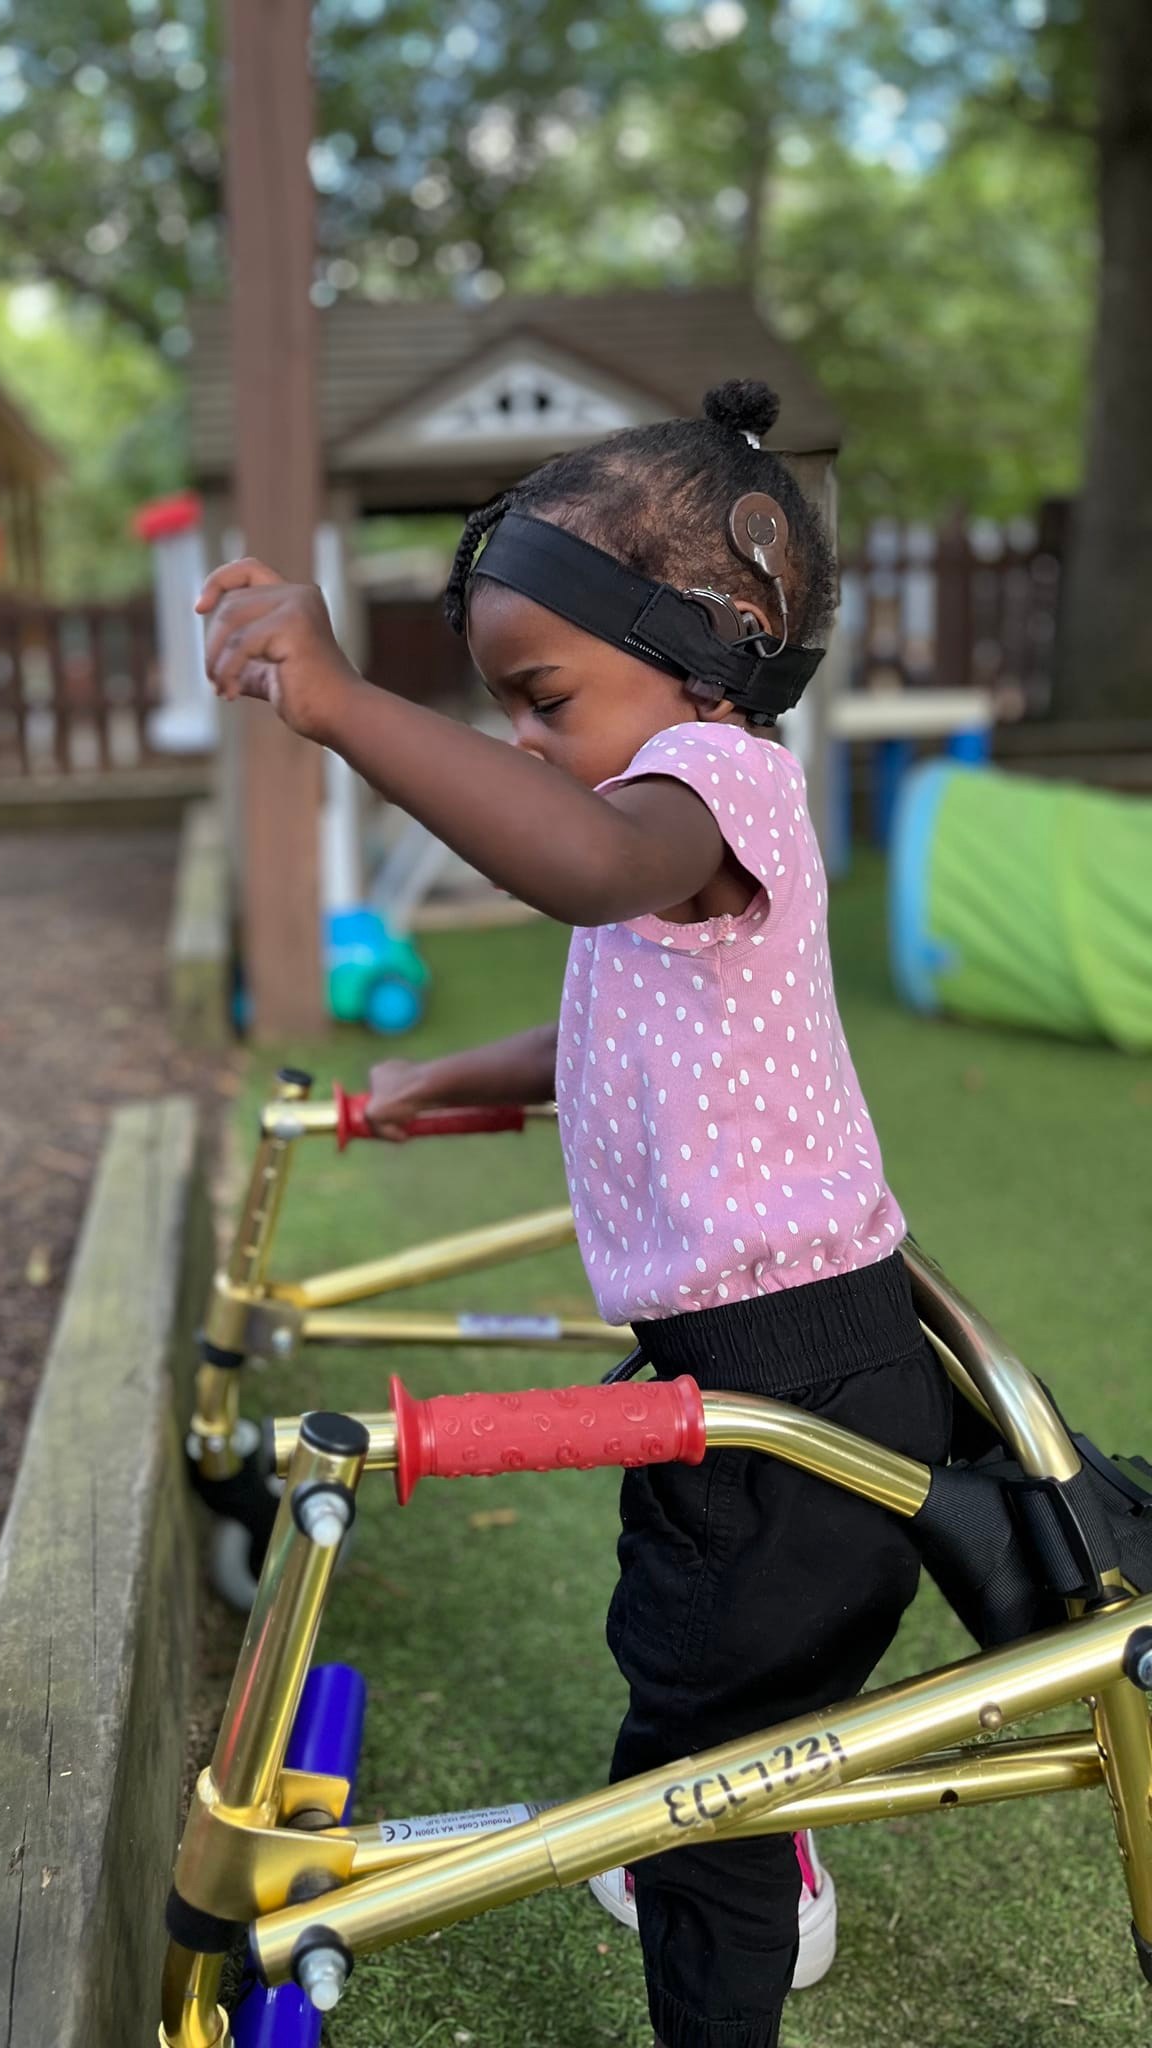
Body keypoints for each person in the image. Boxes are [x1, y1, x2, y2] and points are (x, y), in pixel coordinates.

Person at [196, 380, 952, 2048]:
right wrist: (453, 1076)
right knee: (706, 1676)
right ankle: (747, 1837)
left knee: (710, 1765)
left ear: (704, 649)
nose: (527, 740)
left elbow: (579, 873)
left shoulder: (717, 782)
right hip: (756, 1357)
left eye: (540, 696)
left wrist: (338, 701)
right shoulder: (671, 824)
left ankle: (735, 1927)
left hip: (794, 1376)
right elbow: (613, 1005)